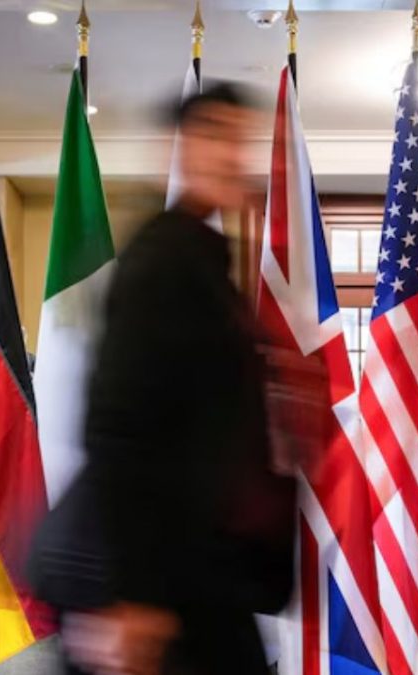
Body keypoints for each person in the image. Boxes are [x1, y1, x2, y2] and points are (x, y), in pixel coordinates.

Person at [61, 83, 297, 675]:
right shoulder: (164, 260)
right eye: (213, 135)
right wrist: (132, 596)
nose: (228, 154)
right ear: (179, 146)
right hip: (165, 581)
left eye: (237, 139)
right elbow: (117, 426)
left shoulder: (206, 258)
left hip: (207, 569)